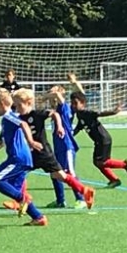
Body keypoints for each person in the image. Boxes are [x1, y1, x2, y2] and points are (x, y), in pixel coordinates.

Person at [5, 88, 95, 210]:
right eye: (15, 106)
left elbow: (54, 114)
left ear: (28, 103)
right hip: (31, 154)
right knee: (19, 173)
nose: (17, 108)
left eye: (19, 105)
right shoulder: (19, 118)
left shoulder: (37, 114)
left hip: (43, 153)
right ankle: (20, 201)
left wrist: (59, 127)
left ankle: (84, 191)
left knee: (61, 175)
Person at [0, 88, 49, 226]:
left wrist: (31, 141)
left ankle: (23, 199)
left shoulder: (9, 117)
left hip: (18, 158)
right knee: (14, 189)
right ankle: (38, 217)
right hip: (23, 159)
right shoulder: (5, 121)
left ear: (1, 104)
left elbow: (23, 124)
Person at [70, 91, 127, 188]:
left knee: (101, 162)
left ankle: (124, 164)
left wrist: (114, 112)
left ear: (83, 103)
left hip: (103, 139)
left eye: (75, 103)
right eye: (72, 103)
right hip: (99, 141)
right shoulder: (80, 115)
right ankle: (114, 180)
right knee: (98, 163)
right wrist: (70, 136)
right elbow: (79, 127)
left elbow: (99, 113)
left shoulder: (87, 112)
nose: (73, 106)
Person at [45, 74, 86, 209]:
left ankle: (81, 199)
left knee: (70, 173)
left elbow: (58, 96)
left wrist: (48, 95)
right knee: (55, 173)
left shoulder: (64, 108)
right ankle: (60, 201)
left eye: (52, 96)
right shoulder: (54, 111)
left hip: (67, 146)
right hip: (58, 148)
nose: (50, 99)